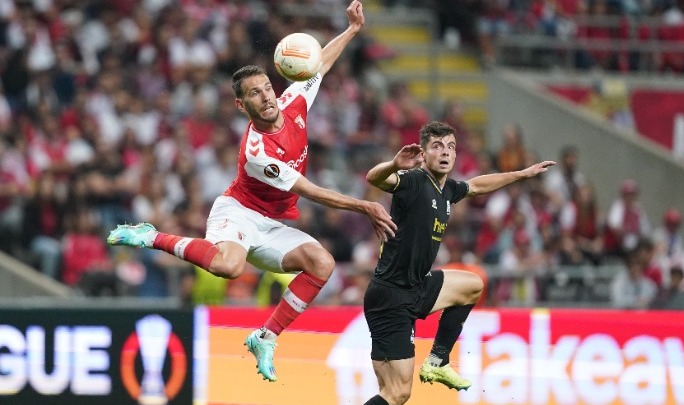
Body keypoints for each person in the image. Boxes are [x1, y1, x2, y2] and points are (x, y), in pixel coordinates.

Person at [106, 0, 396, 382]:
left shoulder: (293, 101)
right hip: (237, 213)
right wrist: (366, 206)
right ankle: (151, 236)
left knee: (322, 264)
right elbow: (309, 190)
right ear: (241, 105)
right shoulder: (257, 151)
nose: (267, 97)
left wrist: (353, 30)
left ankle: (266, 336)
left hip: (269, 223)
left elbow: (320, 64)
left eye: (267, 88)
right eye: (255, 94)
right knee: (229, 267)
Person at [362, 121, 555, 405]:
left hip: (417, 288)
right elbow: (374, 178)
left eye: (451, 147)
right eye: (437, 146)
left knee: (473, 284)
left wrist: (522, 174)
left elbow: (477, 185)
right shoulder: (414, 181)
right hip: (391, 297)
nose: (445, 152)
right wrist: (393, 164)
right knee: (397, 393)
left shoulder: (447, 189)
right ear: (423, 153)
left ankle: (438, 360)